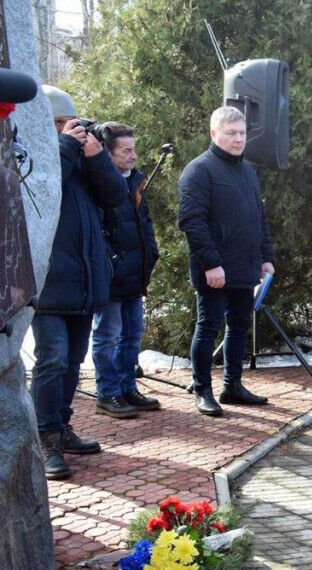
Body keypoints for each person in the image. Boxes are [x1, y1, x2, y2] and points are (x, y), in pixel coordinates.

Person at [32, 86, 126, 480]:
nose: (69, 129)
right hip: (49, 282)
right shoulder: (35, 154)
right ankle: (45, 438)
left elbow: (117, 195)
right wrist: (68, 146)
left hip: (85, 281)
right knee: (51, 360)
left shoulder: (81, 161)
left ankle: (62, 425)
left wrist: (97, 155)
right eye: (59, 124)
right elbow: (46, 186)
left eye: (71, 123)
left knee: (72, 361)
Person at [178, 106, 276, 417]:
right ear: (214, 134)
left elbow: (258, 218)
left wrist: (267, 257)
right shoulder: (199, 170)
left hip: (245, 267)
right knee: (208, 327)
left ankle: (232, 385)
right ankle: (203, 389)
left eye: (242, 133)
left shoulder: (248, 171)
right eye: (231, 133)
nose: (238, 139)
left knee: (239, 327)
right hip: (215, 270)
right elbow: (192, 222)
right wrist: (210, 264)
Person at [90, 122, 161, 419]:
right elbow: (98, 233)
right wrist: (112, 264)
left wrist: (151, 253)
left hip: (135, 275)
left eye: (134, 149)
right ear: (108, 153)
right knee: (107, 336)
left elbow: (143, 226)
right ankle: (108, 393)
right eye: (126, 150)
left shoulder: (135, 182)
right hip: (112, 277)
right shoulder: (99, 184)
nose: (133, 155)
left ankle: (127, 386)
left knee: (132, 335)